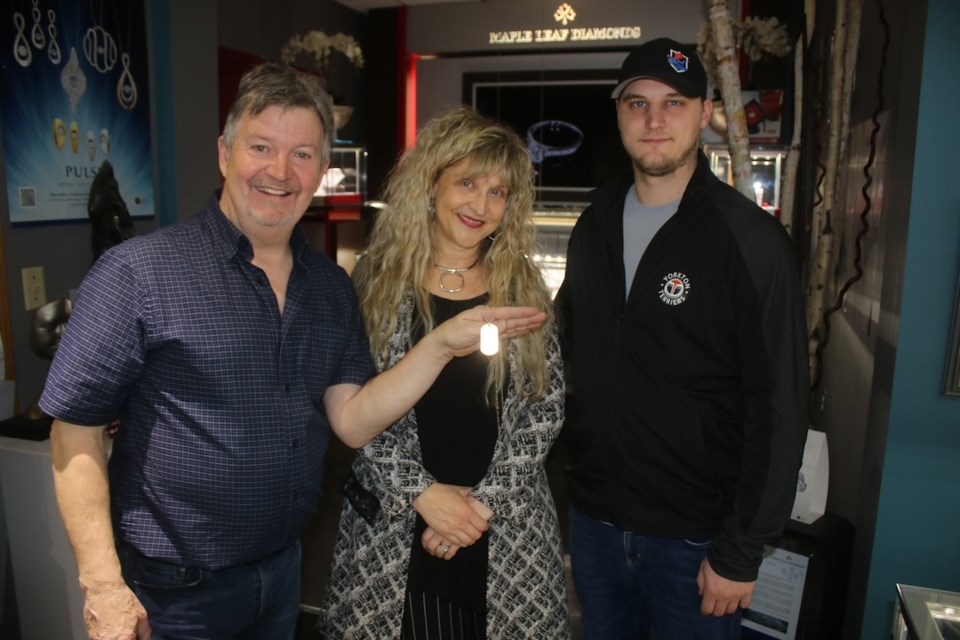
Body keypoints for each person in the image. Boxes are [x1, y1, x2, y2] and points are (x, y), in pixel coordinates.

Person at [39, 64, 546, 640]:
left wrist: (438, 345)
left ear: (322, 173)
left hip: (283, 577)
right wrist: (103, 585)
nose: (280, 172)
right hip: (173, 592)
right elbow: (73, 430)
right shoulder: (138, 272)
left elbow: (353, 422)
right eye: (261, 147)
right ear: (225, 154)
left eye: (302, 155)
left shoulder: (329, 286)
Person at [554, 38, 809, 639]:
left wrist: (740, 550)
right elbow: (567, 351)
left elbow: (779, 406)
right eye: (637, 103)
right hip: (594, 524)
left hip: (696, 544)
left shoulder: (750, 241)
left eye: (673, 103)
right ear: (618, 113)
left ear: (704, 111)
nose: (654, 120)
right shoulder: (593, 226)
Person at [320, 106, 570, 639]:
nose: (481, 204)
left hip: (505, 535)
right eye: (468, 182)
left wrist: (479, 507)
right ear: (432, 186)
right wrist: (423, 494)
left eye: (498, 192)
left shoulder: (523, 286)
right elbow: (353, 406)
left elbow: (544, 410)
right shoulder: (375, 282)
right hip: (392, 534)